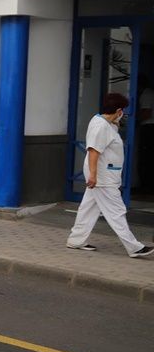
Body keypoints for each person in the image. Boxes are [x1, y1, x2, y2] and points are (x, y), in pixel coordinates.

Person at [67, 92, 154, 257]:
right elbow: (93, 151)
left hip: (102, 174)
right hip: (102, 177)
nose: (123, 116)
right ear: (119, 110)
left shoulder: (105, 123)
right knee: (116, 211)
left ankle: (76, 240)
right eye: (123, 112)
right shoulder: (101, 126)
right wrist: (93, 176)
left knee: (89, 208)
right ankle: (134, 247)